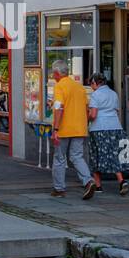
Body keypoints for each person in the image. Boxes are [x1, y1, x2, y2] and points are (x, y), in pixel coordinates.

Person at [50, 60, 96, 200]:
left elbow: (59, 108)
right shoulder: (79, 87)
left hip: (64, 129)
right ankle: (88, 181)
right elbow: (86, 109)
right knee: (77, 156)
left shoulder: (59, 87)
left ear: (57, 73)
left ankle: (59, 189)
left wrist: (56, 129)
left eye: (53, 73)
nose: (53, 75)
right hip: (80, 128)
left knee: (59, 158)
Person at [87, 73, 129, 196]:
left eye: (91, 84)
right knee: (114, 154)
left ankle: (98, 186)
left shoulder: (95, 95)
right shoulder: (113, 94)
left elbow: (93, 115)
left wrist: (86, 117)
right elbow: (116, 111)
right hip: (115, 127)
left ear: (96, 83)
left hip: (99, 129)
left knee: (96, 155)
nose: (91, 86)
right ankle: (121, 180)